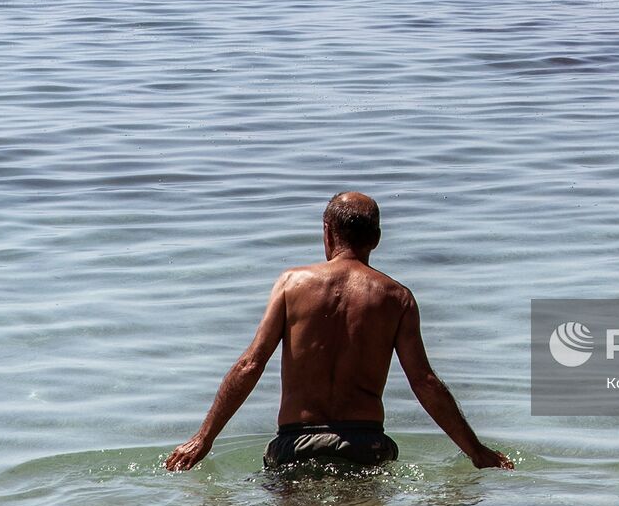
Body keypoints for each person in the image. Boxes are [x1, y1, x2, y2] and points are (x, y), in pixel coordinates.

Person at [165, 192, 513, 473]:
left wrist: (203, 438)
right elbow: (424, 383)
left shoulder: (291, 284)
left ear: (327, 232)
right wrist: (476, 450)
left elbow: (249, 365)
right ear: (375, 239)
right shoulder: (397, 298)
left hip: (295, 446)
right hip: (365, 447)